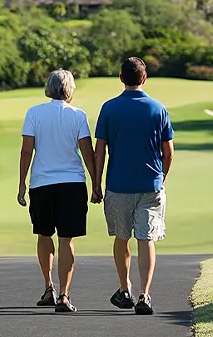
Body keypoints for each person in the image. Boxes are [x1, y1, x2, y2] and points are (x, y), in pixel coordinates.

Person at [95, 57, 174, 315]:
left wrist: (96, 183)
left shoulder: (109, 108)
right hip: (150, 185)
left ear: (121, 78)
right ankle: (144, 294)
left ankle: (124, 288)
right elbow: (168, 152)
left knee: (122, 238)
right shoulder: (158, 108)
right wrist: (161, 178)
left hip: (118, 185)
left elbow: (100, 150)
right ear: (144, 78)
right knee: (146, 238)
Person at [17, 69, 102, 313]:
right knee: (67, 239)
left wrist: (22, 184)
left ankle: (48, 288)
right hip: (72, 184)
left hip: (42, 183)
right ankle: (64, 295)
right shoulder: (78, 115)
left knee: (44, 235)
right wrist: (96, 183)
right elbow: (87, 152)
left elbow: (26, 152)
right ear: (70, 89)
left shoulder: (34, 113)